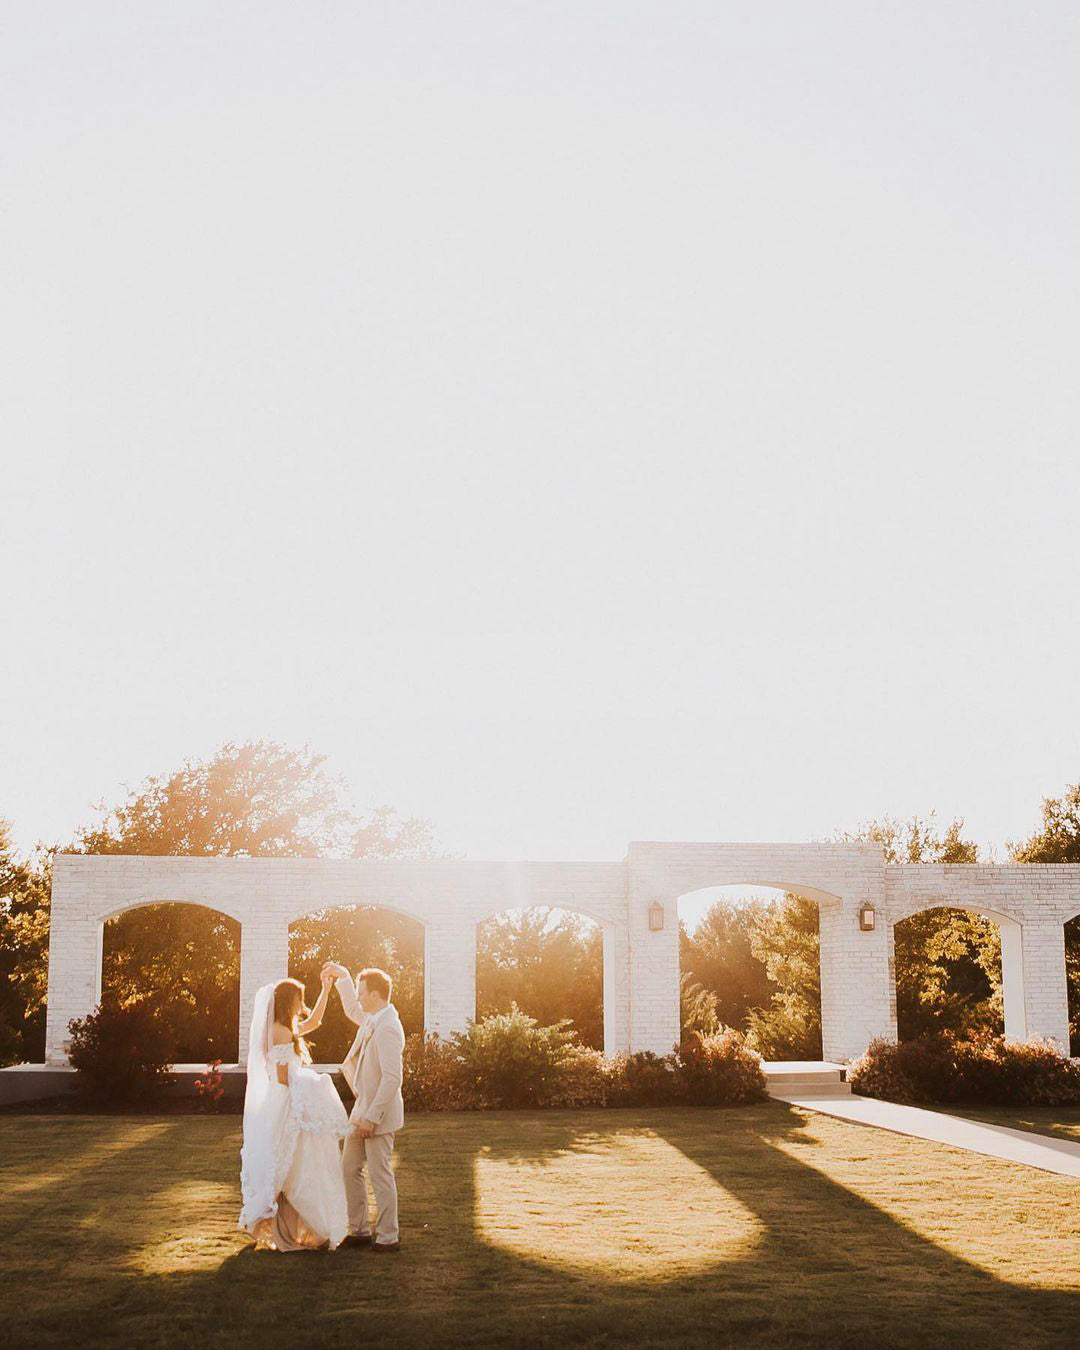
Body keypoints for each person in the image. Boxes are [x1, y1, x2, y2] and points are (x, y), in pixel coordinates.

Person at [238, 972, 350, 1251]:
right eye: (299, 999)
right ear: (290, 1000)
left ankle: (297, 1231)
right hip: (287, 1103)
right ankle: (293, 1231)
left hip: (288, 1100)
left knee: (295, 1166)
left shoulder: (286, 1027)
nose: (302, 1004)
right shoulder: (280, 1031)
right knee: (292, 1167)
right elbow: (283, 1076)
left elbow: (315, 1021)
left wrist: (326, 990)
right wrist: (311, 1085)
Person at [322, 961, 405, 1252]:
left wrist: (372, 1118)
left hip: (377, 1116)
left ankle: (387, 1237)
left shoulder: (388, 1028)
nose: (358, 996)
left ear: (375, 994)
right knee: (349, 1167)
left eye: (360, 990)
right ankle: (358, 1231)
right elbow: (352, 1011)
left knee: (380, 1174)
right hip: (361, 1111)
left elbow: (393, 1078)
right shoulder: (372, 1018)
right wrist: (343, 977)